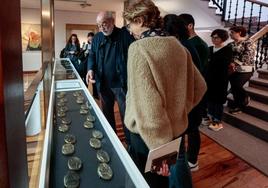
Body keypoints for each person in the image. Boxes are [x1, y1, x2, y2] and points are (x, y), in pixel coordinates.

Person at [123, 1, 207, 187]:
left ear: (140, 20)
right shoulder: (178, 46)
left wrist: (160, 150)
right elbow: (199, 86)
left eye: (130, 24)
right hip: (175, 131)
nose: (130, 30)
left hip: (148, 139)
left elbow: (148, 106)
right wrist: (178, 110)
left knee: (149, 184)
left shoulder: (139, 49)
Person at [86, 11, 134, 146]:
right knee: (107, 115)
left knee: (126, 116)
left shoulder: (125, 36)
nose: (101, 28)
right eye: (99, 25)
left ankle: (130, 144)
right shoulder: (96, 38)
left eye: (104, 24)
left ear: (112, 22)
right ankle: (112, 141)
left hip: (121, 84)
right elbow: (91, 56)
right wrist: (90, 69)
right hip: (103, 84)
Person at [177, 13, 209, 171]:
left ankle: (193, 160)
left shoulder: (199, 45)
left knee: (193, 128)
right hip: (186, 93)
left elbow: (198, 73)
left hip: (195, 94)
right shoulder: (186, 43)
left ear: (189, 26)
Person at [206, 29, 233, 131]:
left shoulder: (227, 50)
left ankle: (218, 121)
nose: (213, 39)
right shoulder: (209, 49)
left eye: (216, 37)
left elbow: (223, 65)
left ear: (223, 38)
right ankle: (211, 118)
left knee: (218, 101)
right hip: (209, 79)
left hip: (220, 80)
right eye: (212, 37)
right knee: (209, 99)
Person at [228, 26, 256, 114]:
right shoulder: (231, 44)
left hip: (245, 69)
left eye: (232, 32)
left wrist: (234, 63)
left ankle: (245, 97)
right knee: (233, 87)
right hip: (232, 69)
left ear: (239, 32)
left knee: (237, 85)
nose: (230, 34)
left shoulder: (249, 42)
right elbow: (228, 55)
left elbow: (247, 56)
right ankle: (237, 105)